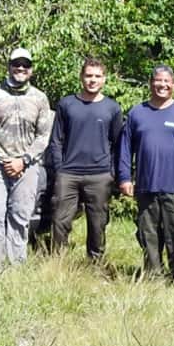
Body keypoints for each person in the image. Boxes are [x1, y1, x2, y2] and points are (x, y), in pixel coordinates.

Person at [117, 65, 174, 281]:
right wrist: (125, 177)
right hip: (145, 185)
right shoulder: (136, 113)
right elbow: (125, 148)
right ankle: (153, 277)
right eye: (158, 81)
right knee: (148, 234)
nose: (162, 85)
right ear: (150, 83)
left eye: (166, 81)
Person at [0, 47, 54, 267]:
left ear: (31, 70)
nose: (20, 68)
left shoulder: (40, 98)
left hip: (27, 166)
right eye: (16, 64)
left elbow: (43, 135)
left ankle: (16, 264)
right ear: (8, 66)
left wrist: (23, 160)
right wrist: (5, 159)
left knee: (21, 215)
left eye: (25, 65)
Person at [47, 57, 123, 263]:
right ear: (81, 77)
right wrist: (59, 169)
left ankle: (95, 263)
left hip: (99, 174)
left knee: (97, 223)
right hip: (68, 173)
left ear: (104, 79)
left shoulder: (112, 108)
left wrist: (112, 173)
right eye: (89, 75)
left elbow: (118, 144)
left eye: (97, 76)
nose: (92, 80)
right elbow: (56, 140)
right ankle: (58, 262)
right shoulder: (67, 104)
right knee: (60, 220)